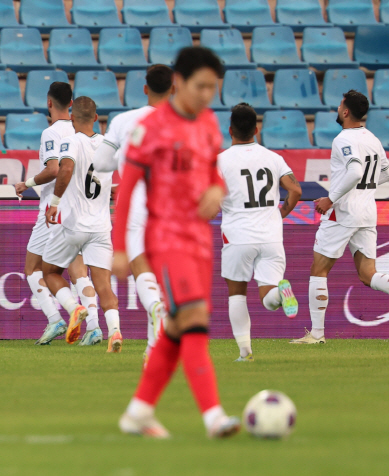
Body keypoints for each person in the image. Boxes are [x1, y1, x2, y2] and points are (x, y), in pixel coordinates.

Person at [113, 47, 240, 439]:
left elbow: (214, 175)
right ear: (178, 82)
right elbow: (127, 189)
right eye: (200, 86)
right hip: (166, 238)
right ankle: (214, 416)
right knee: (195, 320)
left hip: (200, 239)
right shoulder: (149, 130)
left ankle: (138, 412)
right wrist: (119, 246)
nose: (206, 94)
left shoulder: (208, 124)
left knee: (175, 326)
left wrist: (217, 190)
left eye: (213, 88)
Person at [291, 90, 389, 344]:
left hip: (343, 212)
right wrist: (362, 191)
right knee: (368, 274)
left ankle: (317, 334)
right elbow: (387, 174)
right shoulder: (372, 138)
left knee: (319, 269)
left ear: (346, 111)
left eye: (339, 104)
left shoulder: (343, 139)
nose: (337, 108)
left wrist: (330, 198)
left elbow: (355, 171)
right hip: (367, 211)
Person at [93, 64, 173, 362]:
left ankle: (154, 306)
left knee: (142, 268)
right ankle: (153, 350)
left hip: (138, 204)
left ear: (144, 88)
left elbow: (101, 163)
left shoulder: (125, 121)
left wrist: (124, 158)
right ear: (174, 89)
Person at [14, 82, 99, 346]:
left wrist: (26, 184)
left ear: (49, 103)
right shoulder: (80, 132)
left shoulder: (51, 133)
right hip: (80, 209)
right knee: (78, 270)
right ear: (71, 104)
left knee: (32, 268)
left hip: (53, 209)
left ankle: (59, 317)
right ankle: (94, 327)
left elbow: (53, 169)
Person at [218, 103, 302, 361]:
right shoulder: (273, 158)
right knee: (268, 297)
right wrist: (282, 212)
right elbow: (296, 190)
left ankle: (245, 352)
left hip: (237, 235)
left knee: (236, 295)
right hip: (271, 235)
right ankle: (282, 292)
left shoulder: (220, 161)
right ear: (256, 129)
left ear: (230, 130)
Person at [41, 96, 123, 351]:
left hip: (74, 224)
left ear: (72, 118)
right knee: (104, 286)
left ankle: (74, 308)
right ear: (97, 118)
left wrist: (54, 202)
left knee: (50, 272)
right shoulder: (108, 145)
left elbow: (65, 169)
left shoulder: (71, 140)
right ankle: (116, 332)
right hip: (101, 227)